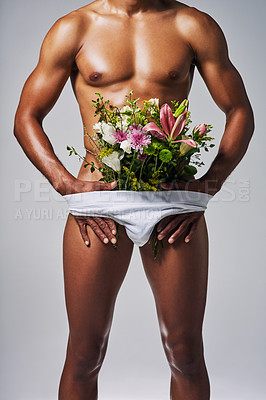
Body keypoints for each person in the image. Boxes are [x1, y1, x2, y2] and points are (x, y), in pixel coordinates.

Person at [13, 0, 254, 399]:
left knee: (186, 353)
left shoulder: (191, 24)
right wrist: (63, 182)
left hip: (173, 204)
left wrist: (209, 185)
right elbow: (26, 116)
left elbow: (239, 109)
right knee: (85, 353)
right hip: (98, 203)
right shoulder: (76, 27)